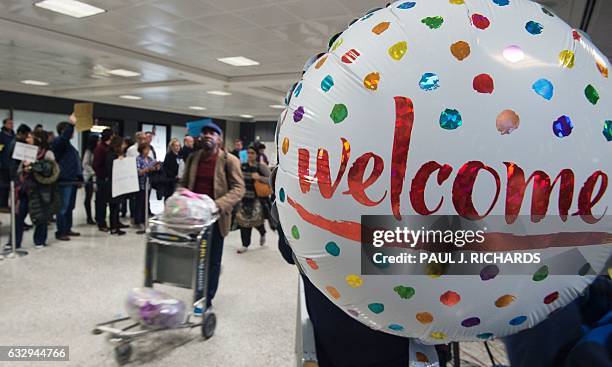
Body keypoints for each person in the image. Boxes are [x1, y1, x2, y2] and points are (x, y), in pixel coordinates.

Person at [181, 122, 244, 311]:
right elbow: (184, 184)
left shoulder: (229, 160)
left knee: (212, 261)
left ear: (219, 139)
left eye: (213, 133)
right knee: (197, 258)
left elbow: (238, 188)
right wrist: (179, 199)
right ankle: (199, 290)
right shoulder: (193, 159)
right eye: (205, 133)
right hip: (195, 218)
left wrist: (217, 205)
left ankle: (206, 300)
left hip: (216, 218)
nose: (208, 135)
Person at [21, 130, 59, 249]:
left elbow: (48, 170)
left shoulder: (48, 153)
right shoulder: (27, 152)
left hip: (42, 189)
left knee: (41, 215)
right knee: (21, 214)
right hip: (27, 188)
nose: (28, 140)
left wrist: (32, 166)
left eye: (30, 137)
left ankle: (39, 240)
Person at [3, 128, 34, 253]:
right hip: (21, 186)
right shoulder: (18, 146)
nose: (29, 139)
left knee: (20, 215)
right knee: (18, 214)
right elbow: (16, 167)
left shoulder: (15, 144)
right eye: (28, 136)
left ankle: (14, 242)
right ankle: (13, 242)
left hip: (24, 186)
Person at [52, 117, 82, 241]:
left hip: (72, 179)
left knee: (70, 207)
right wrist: (71, 124)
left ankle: (67, 228)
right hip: (64, 180)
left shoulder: (69, 146)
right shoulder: (59, 142)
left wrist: (79, 177)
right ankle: (61, 231)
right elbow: (64, 138)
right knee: (63, 207)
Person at [236, 145, 270, 253]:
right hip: (243, 199)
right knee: (243, 222)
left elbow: (271, 180)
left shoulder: (261, 166)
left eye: (252, 153)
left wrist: (259, 177)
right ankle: (245, 244)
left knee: (256, 221)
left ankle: (262, 232)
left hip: (256, 200)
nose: (250, 155)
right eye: (248, 153)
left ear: (256, 154)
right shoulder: (242, 166)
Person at [134, 142, 160, 233]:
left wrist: (156, 167)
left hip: (148, 184)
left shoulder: (149, 159)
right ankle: (138, 220)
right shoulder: (138, 159)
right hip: (141, 184)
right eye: (146, 149)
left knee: (146, 202)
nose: (147, 151)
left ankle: (144, 219)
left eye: (148, 149)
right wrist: (147, 169)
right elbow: (138, 171)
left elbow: (155, 165)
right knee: (139, 202)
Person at [105, 136, 128, 236]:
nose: (124, 145)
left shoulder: (114, 154)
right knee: (114, 206)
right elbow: (111, 170)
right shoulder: (112, 155)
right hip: (113, 184)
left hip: (117, 183)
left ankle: (115, 225)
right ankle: (114, 227)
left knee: (116, 206)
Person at [93, 129, 113, 232]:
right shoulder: (100, 149)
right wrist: (104, 174)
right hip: (103, 179)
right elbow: (96, 165)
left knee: (104, 201)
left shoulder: (106, 148)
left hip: (107, 178)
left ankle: (102, 221)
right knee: (101, 202)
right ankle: (101, 222)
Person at [82, 135, 98, 225]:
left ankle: (96, 216)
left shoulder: (96, 151)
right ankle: (89, 217)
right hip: (89, 176)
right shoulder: (89, 152)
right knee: (88, 197)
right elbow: (85, 164)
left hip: (95, 176)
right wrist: (93, 172)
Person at [0, 118, 15, 209]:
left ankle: (8, 203)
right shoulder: (1, 136)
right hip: (3, 164)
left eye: (12, 123)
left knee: (11, 186)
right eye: (9, 123)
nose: (11, 125)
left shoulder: (13, 136)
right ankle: (2, 204)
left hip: (12, 165)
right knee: (3, 185)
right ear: (5, 124)